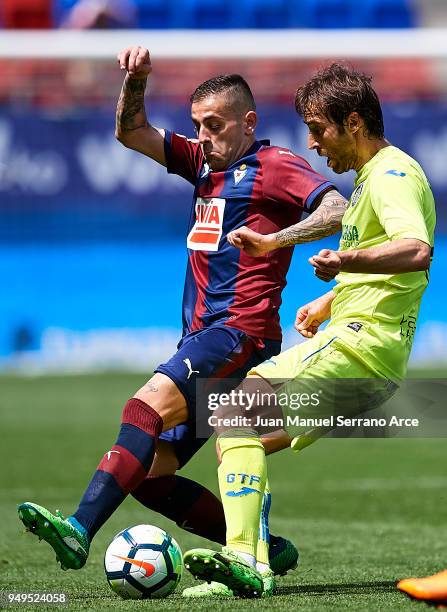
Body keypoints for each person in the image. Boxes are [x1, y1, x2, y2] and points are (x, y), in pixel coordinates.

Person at [17, 46, 347, 594]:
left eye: (215, 125)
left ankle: (78, 529)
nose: (204, 136)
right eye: (198, 125)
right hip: (206, 336)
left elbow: (335, 207)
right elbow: (132, 131)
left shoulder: (274, 165)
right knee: (150, 474)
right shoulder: (200, 162)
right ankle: (263, 546)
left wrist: (275, 239)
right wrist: (137, 81)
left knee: (141, 408)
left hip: (238, 333)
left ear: (247, 123)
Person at [183, 62, 436, 598]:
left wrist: (344, 260)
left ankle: (245, 560)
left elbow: (415, 249)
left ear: (353, 122)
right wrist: (329, 300)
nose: (314, 143)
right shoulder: (374, 178)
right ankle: (249, 566)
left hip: (361, 348)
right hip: (370, 356)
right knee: (235, 442)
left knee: (232, 412)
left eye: (320, 129)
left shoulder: (392, 174)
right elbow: (394, 263)